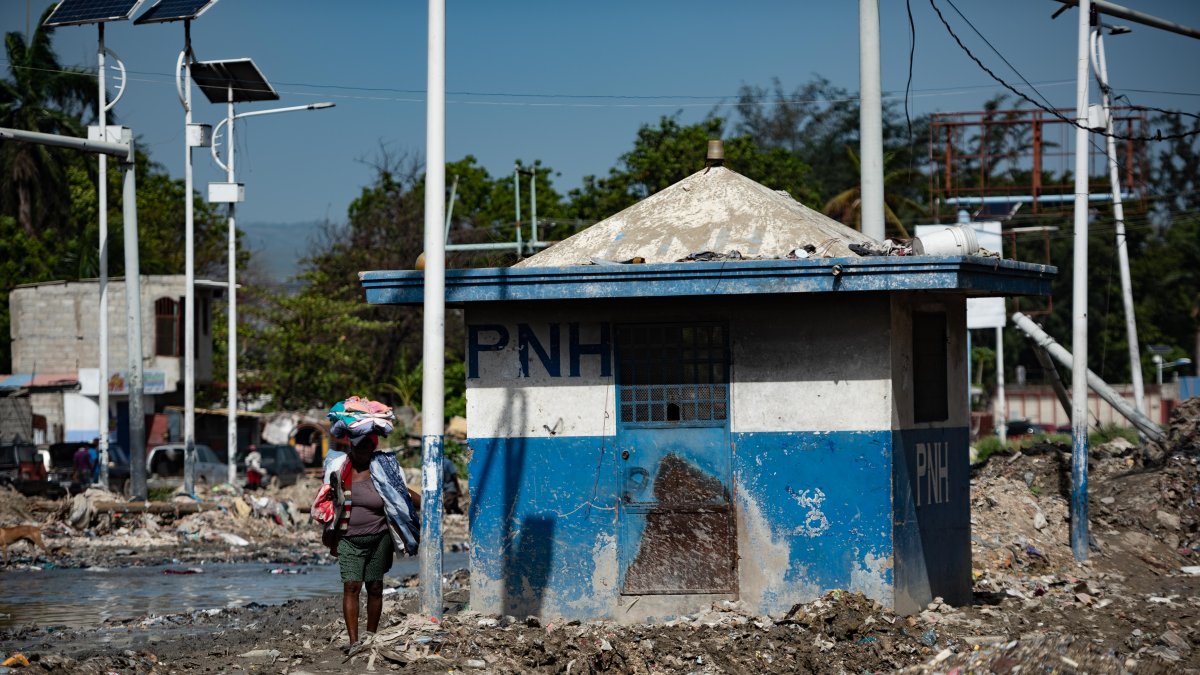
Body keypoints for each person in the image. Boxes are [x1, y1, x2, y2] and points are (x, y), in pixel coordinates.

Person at [322, 433, 419, 650]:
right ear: (352, 447)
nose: (363, 452)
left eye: (368, 447)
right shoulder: (340, 470)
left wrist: (430, 503)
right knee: (352, 586)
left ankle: (371, 636)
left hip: (379, 538)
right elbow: (327, 500)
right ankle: (354, 641)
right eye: (359, 447)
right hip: (348, 539)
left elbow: (402, 495)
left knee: (375, 587)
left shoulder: (382, 472)